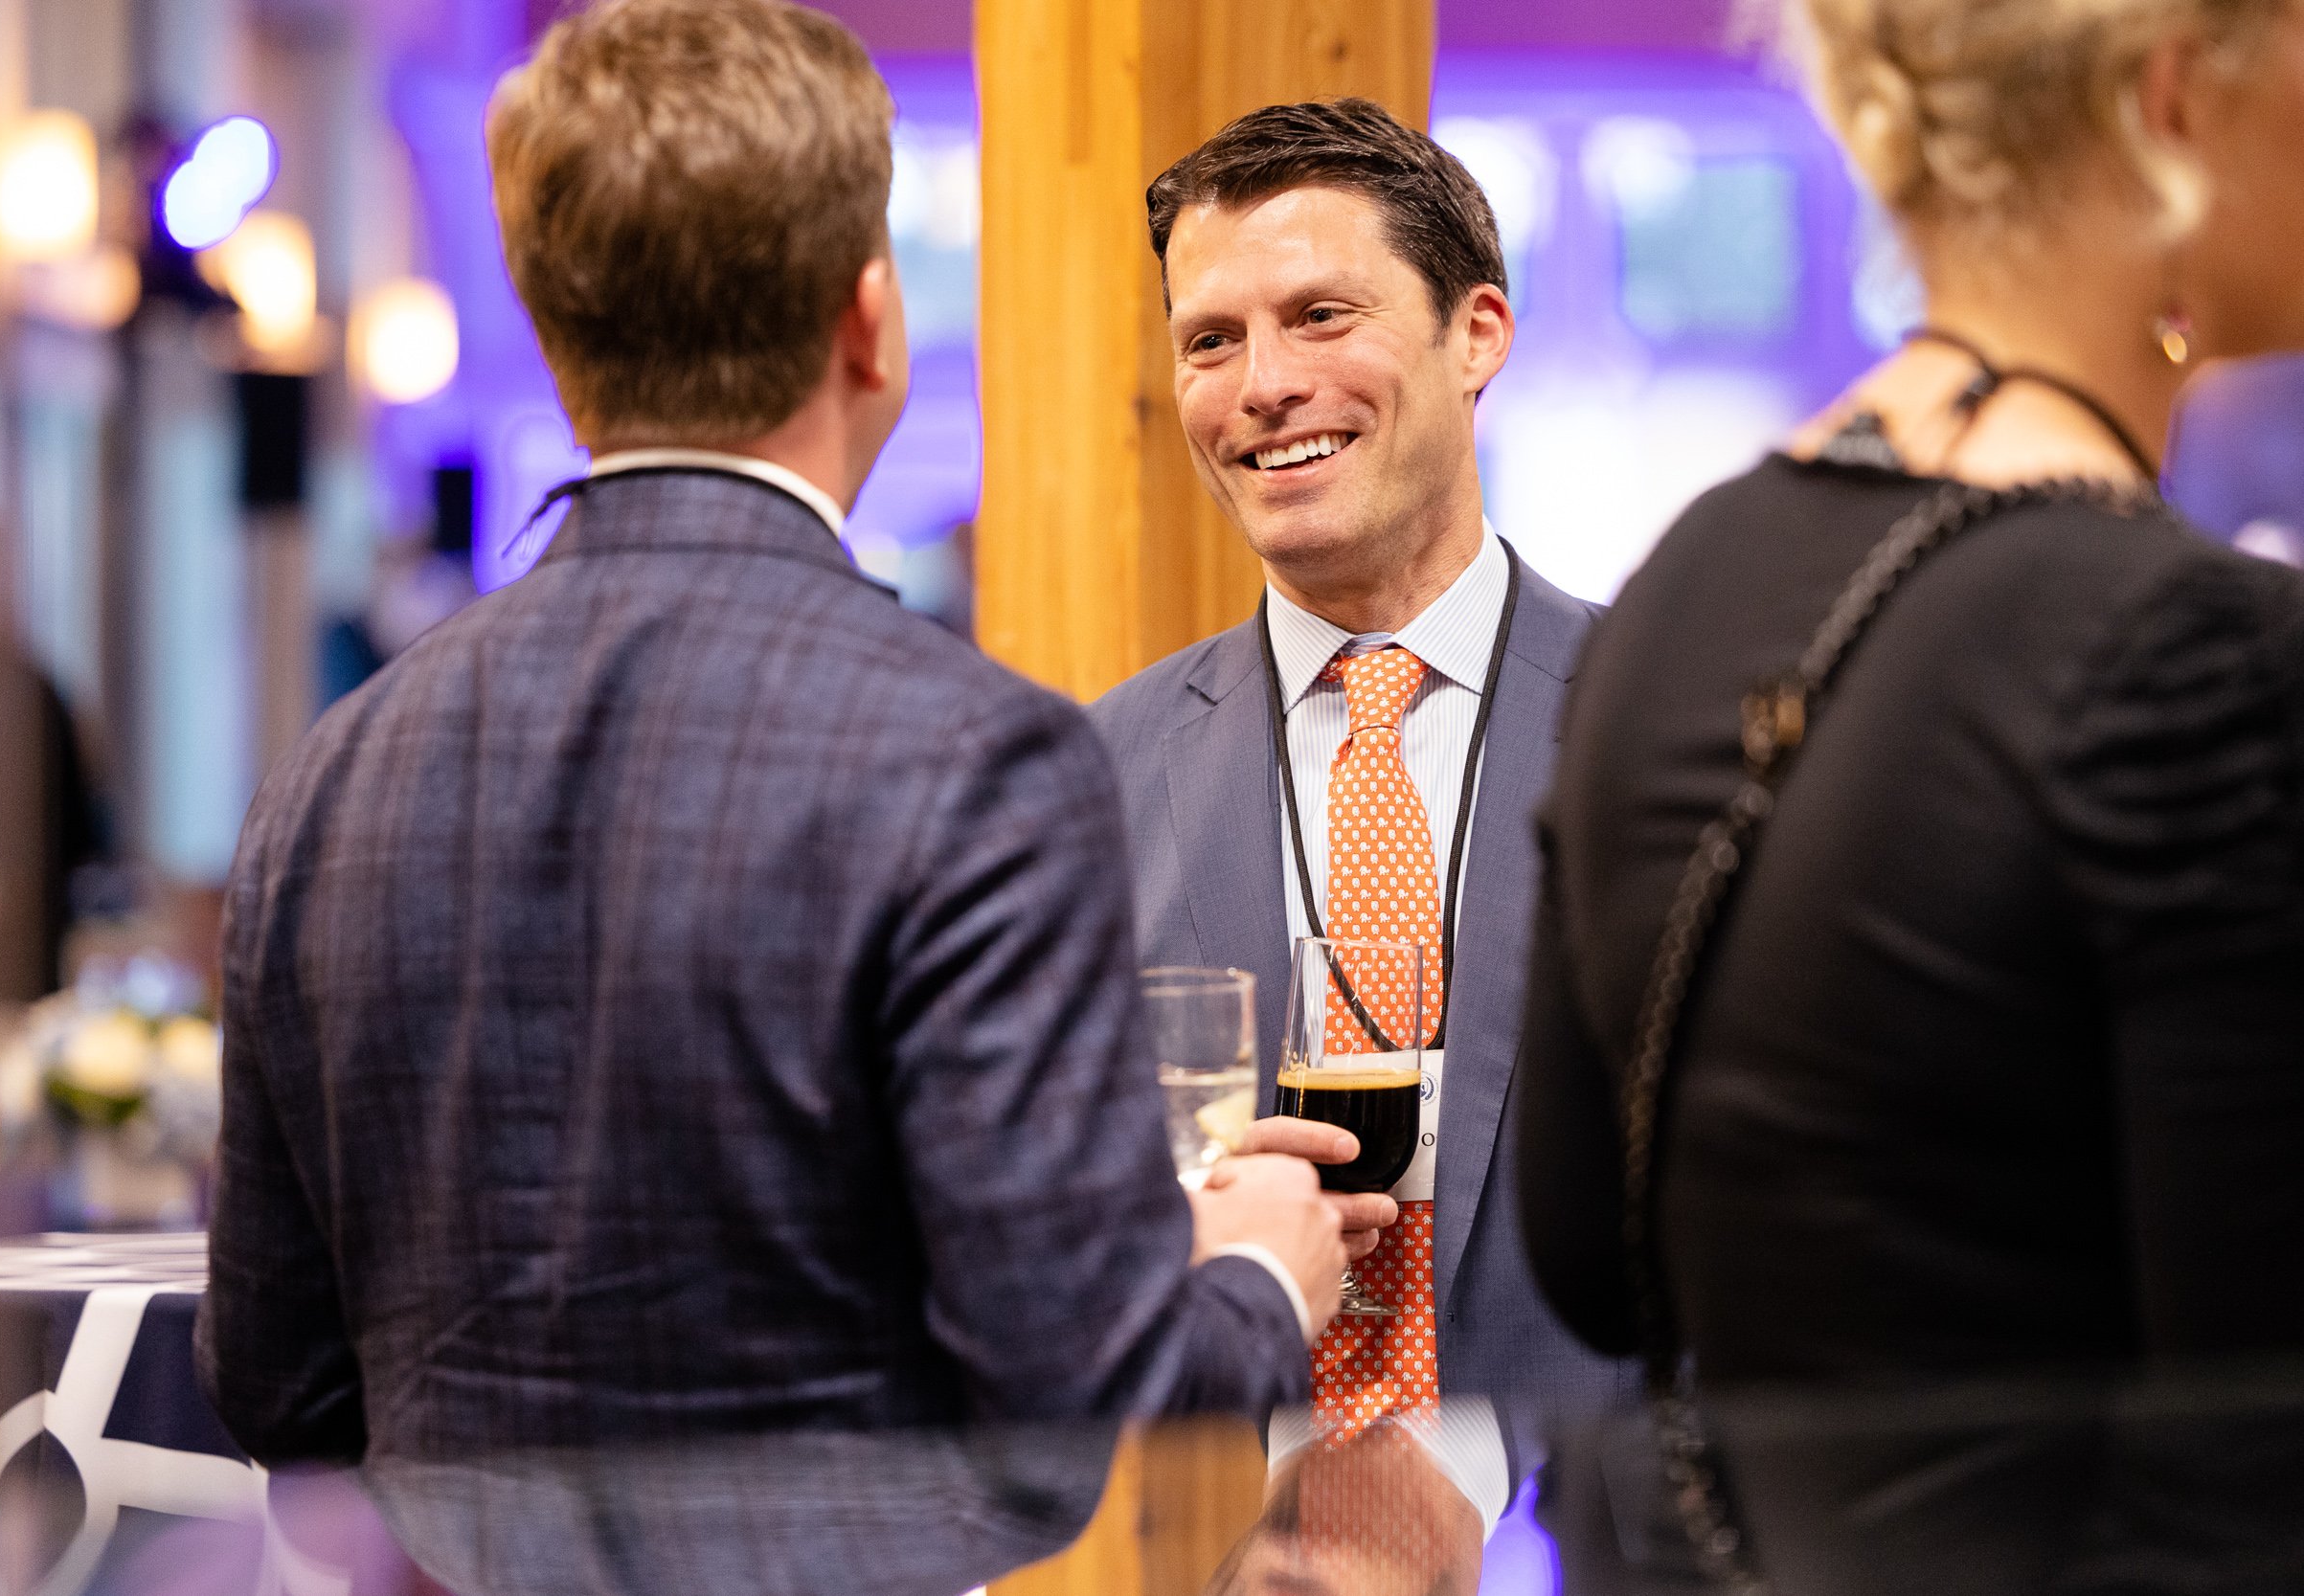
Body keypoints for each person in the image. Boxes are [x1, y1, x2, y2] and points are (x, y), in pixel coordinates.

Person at [195, 0, 1347, 1539]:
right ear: (869, 319)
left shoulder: (330, 780)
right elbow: (1056, 1406)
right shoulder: (977, 760)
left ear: (556, 332)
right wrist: (1263, 1273)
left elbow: (281, 1390)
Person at [1514, 0, 2304, 1588]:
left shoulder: (1680, 582)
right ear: (2169, 103)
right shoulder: (2196, 648)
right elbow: (2260, 1406)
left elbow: (1594, 1260)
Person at [1089, 99, 1633, 1522]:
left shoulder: (1661, 727)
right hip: (1203, 1536)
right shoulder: (1086, 779)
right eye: (1211, 339)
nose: (1262, 383)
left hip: (1589, 1538)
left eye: (1320, 314)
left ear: (1479, 336)